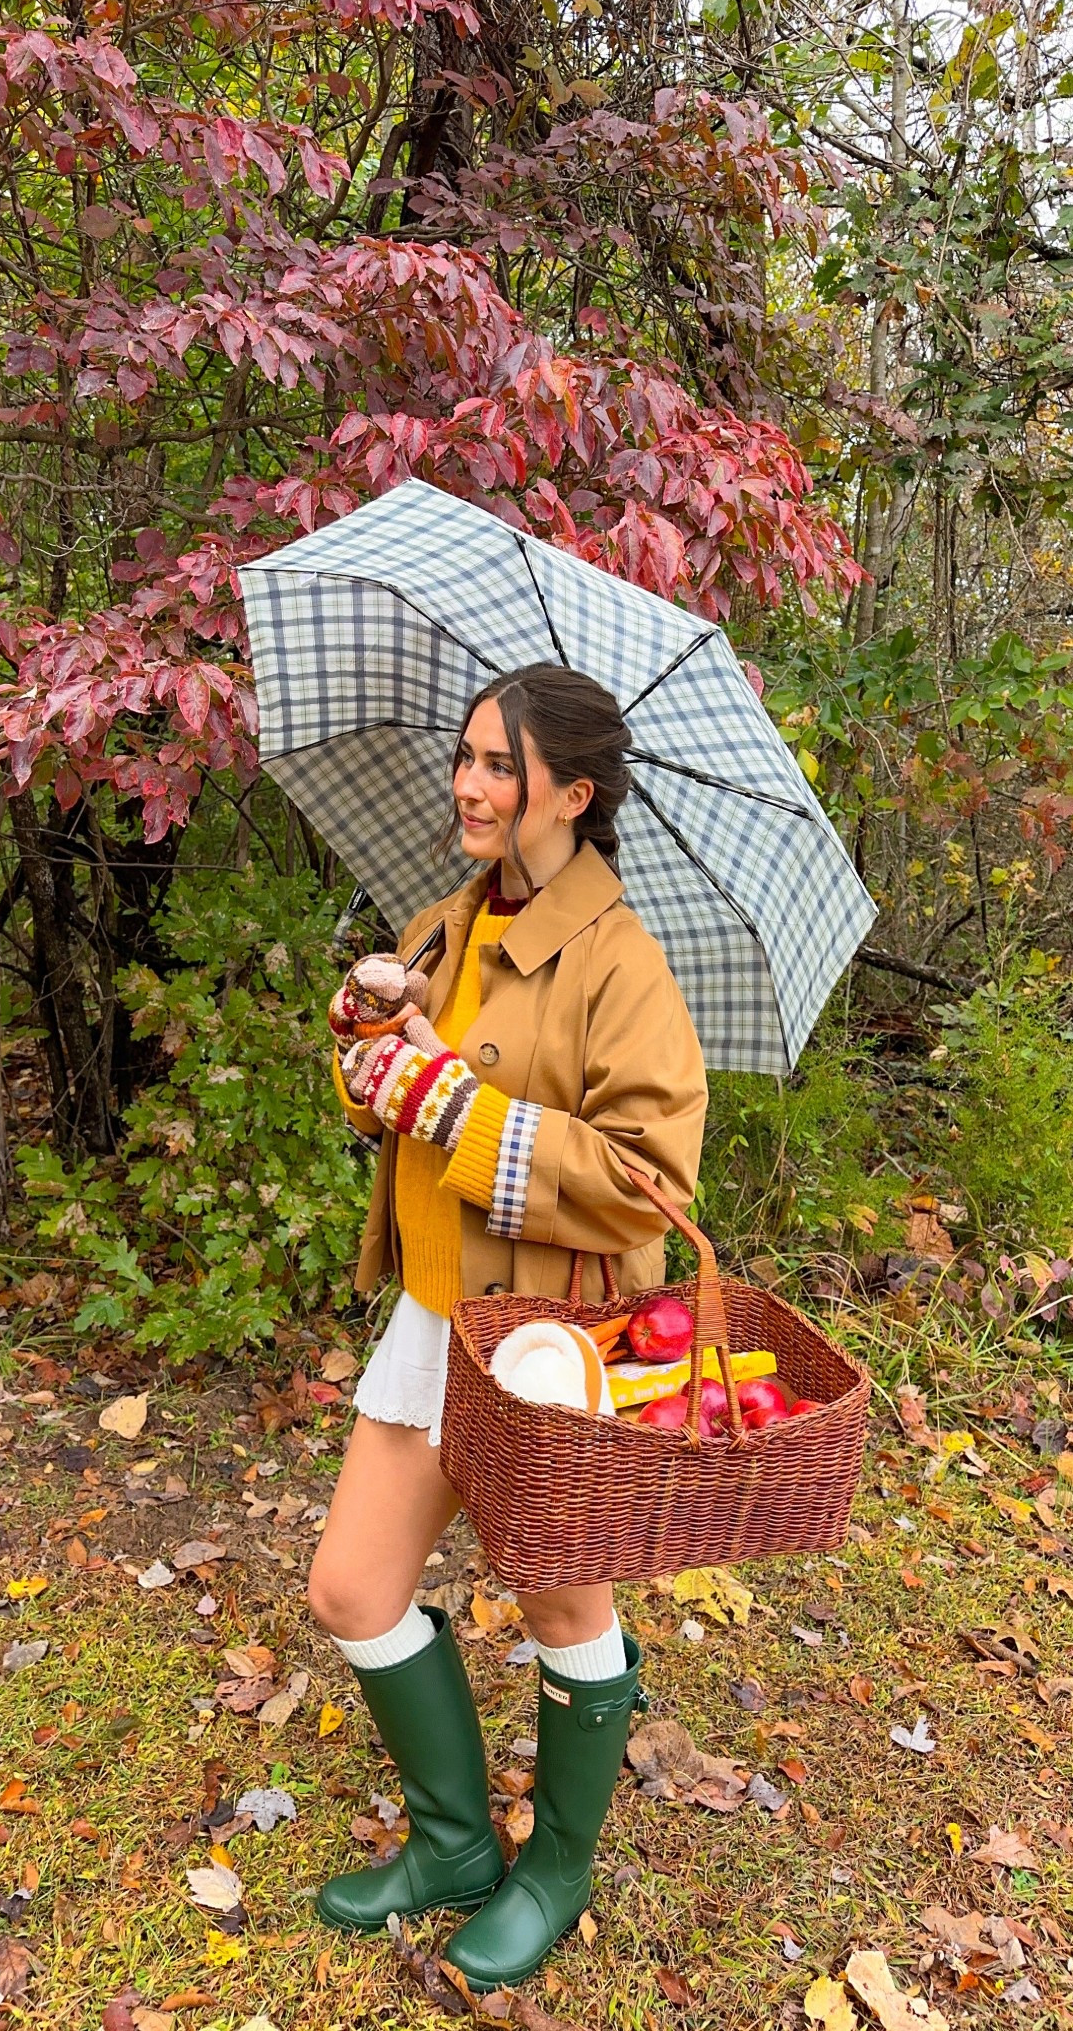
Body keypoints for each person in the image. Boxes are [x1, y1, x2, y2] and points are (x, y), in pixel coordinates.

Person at [308, 662, 708, 1989]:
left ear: (573, 795)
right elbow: (397, 1087)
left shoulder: (623, 963)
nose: (468, 785)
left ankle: (557, 1866)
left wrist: (455, 1108)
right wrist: (367, 1050)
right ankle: (453, 1844)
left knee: (562, 1602)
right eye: (466, 757)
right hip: (439, 1310)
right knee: (353, 1587)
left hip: (549, 1340)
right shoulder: (446, 919)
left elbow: (651, 1179)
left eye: (499, 765)